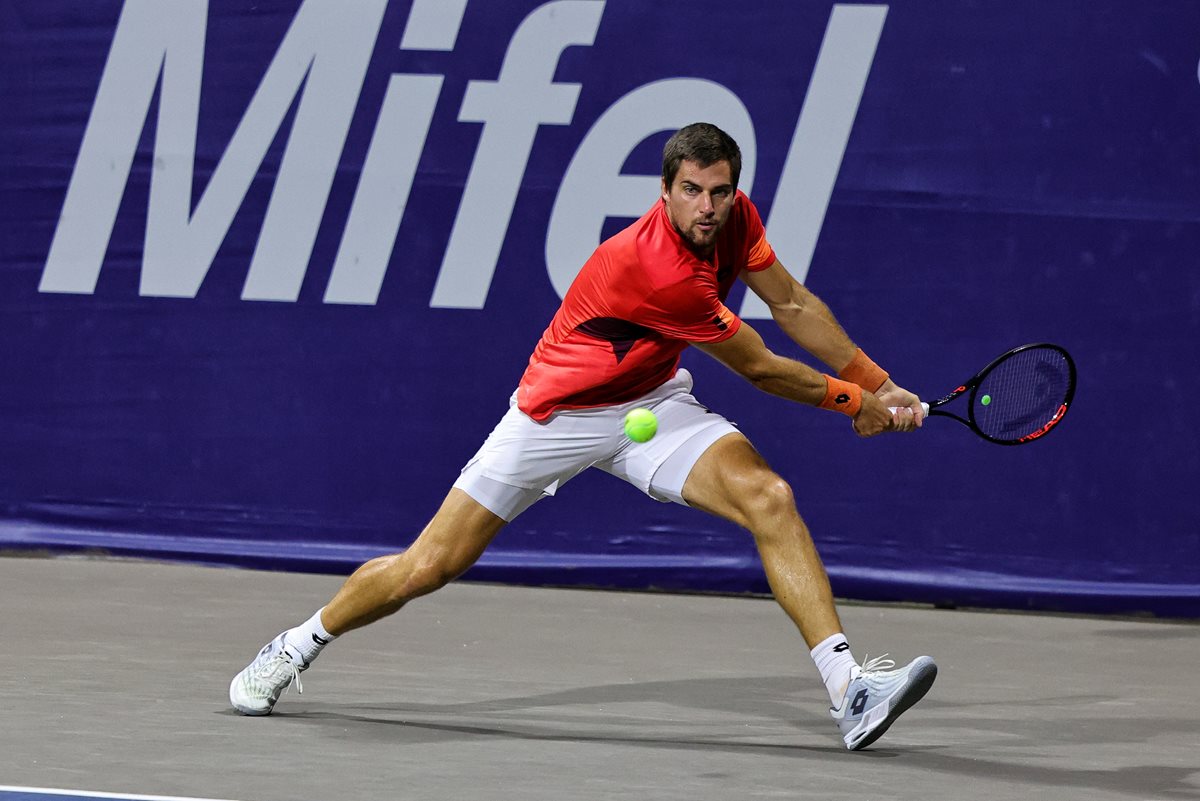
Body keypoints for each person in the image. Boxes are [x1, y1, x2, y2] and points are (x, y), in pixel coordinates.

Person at [229, 122, 936, 751]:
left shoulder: (736, 219)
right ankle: (296, 644)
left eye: (720, 192)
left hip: (649, 402)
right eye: (691, 191)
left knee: (769, 497)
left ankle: (849, 690)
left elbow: (792, 302)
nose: (707, 207)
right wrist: (854, 402)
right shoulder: (659, 269)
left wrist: (878, 381)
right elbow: (758, 367)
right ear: (665, 191)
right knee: (427, 567)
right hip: (557, 415)